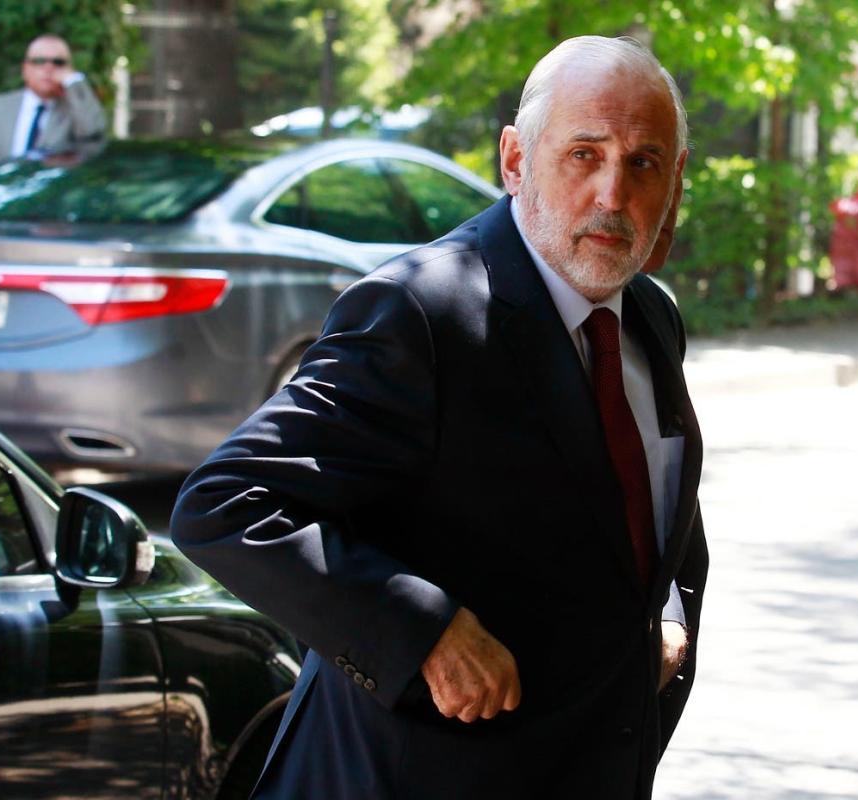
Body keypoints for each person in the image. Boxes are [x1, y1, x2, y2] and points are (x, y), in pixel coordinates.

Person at [170, 34, 708, 800]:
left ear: (676, 181)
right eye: (583, 155)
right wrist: (422, 631)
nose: (613, 195)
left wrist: (665, 615)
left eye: (643, 163)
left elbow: (650, 518)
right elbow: (226, 505)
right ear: (516, 160)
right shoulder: (419, 313)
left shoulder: (650, 317)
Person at [0, 34, 106, 179]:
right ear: (25, 69)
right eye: (39, 61)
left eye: (58, 62)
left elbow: (92, 130)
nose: (48, 68)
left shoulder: (74, 110)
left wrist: (73, 82)